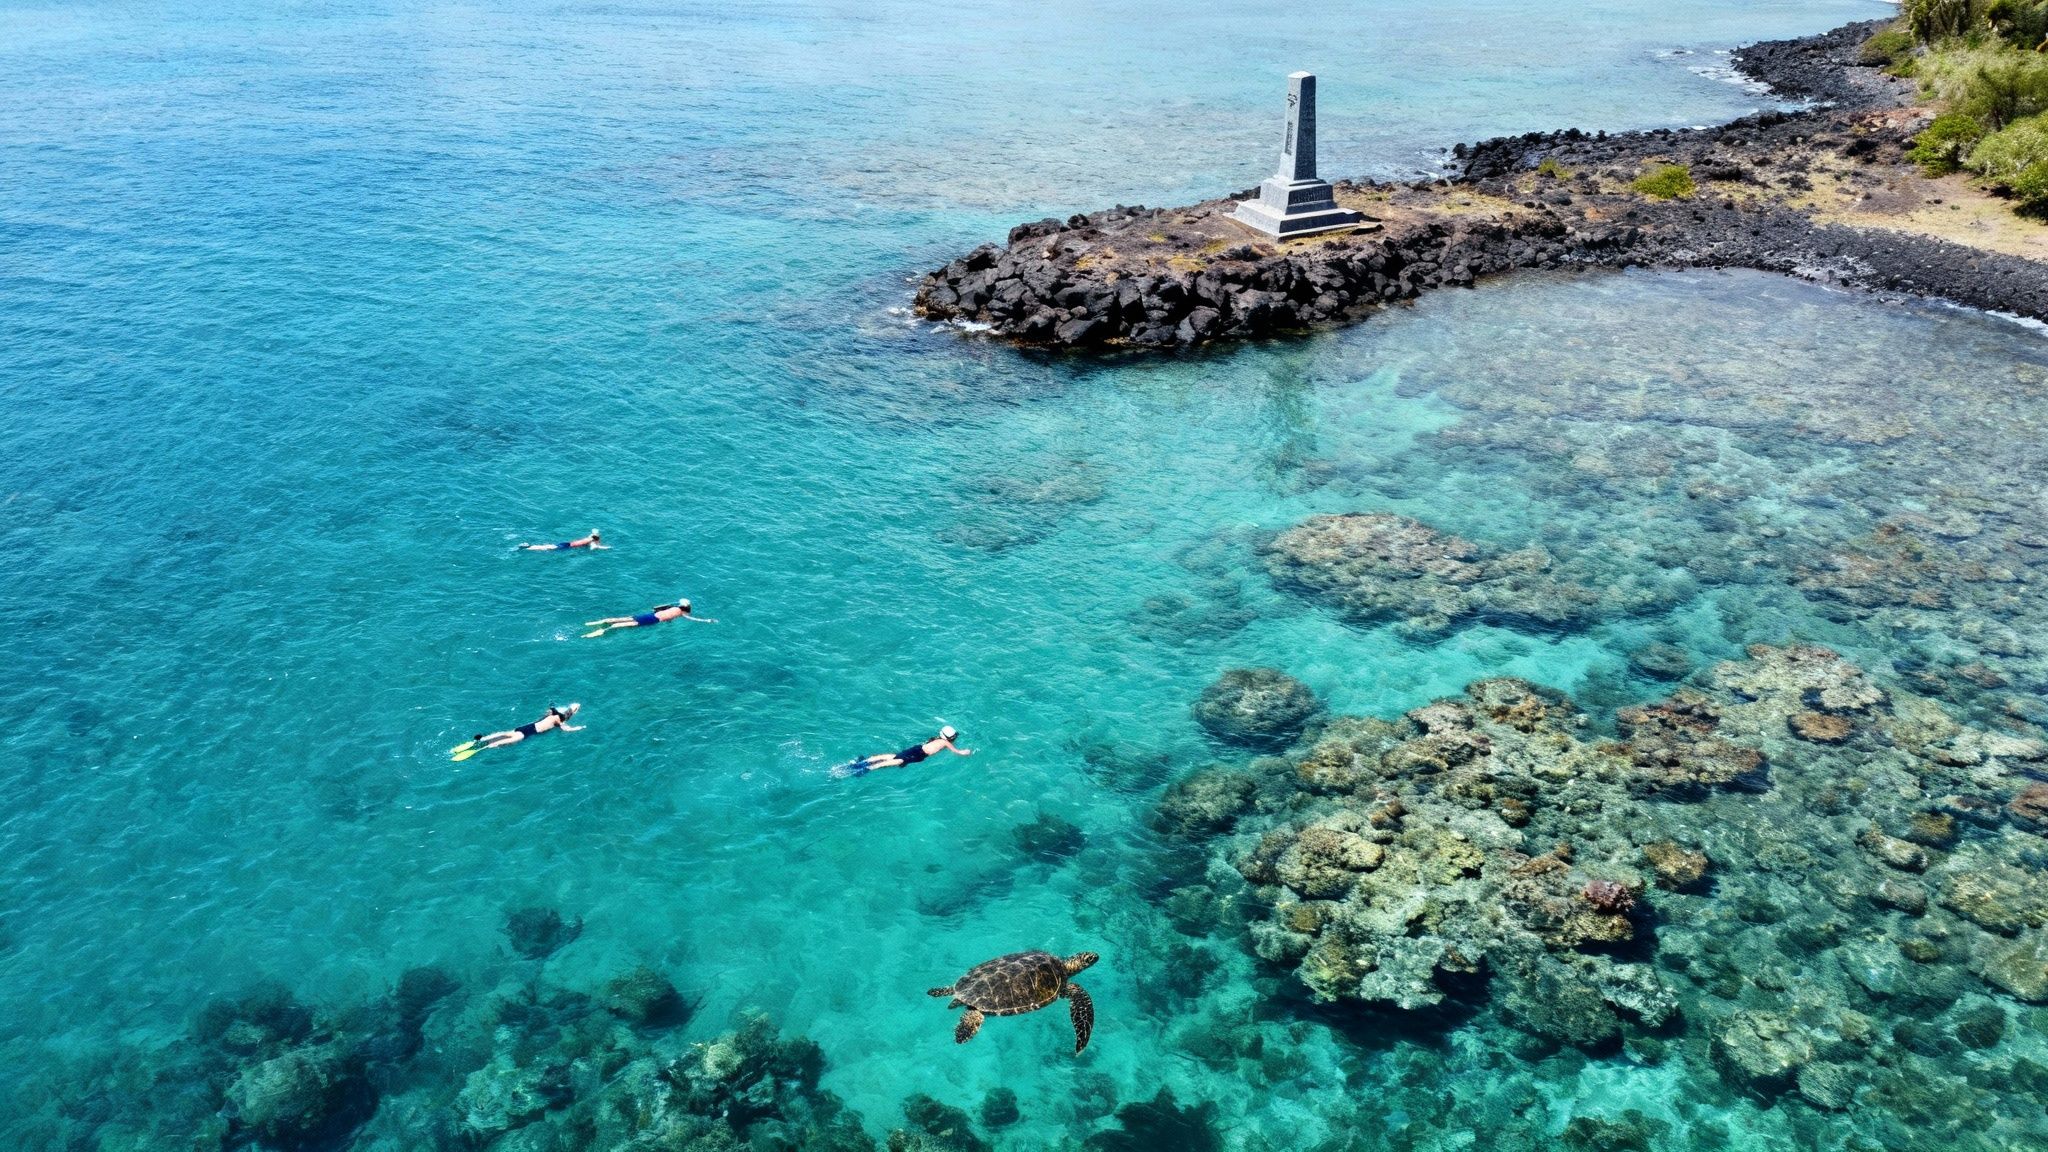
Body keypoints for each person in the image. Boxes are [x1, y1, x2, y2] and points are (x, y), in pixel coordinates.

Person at [452, 703, 583, 760]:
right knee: (502, 742)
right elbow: (566, 729)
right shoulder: (560, 721)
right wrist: (578, 728)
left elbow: (549, 710)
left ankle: (481, 740)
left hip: (524, 727)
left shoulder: (552, 713)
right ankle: (481, 748)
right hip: (528, 733)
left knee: (503, 734)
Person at [834, 726, 973, 778]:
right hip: (919, 754)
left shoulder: (935, 739)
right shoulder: (945, 742)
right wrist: (965, 752)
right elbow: (957, 752)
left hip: (917, 748)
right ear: (950, 738)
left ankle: (865, 761)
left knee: (892, 756)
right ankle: (868, 768)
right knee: (898, 760)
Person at [582, 598, 716, 637]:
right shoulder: (683, 613)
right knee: (622, 625)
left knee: (622, 618)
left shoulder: (673, 606)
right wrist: (706, 620)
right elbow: (692, 619)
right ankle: (603, 631)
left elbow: (657, 608)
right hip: (653, 620)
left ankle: (600, 622)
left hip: (651, 615)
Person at [521, 530, 607, 552]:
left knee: (549, 546)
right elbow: (594, 547)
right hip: (567, 546)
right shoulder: (591, 542)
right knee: (548, 549)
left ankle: (529, 546)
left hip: (567, 543)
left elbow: (594, 533)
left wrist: (596, 533)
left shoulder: (589, 537)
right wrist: (606, 547)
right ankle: (528, 548)